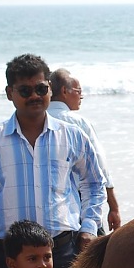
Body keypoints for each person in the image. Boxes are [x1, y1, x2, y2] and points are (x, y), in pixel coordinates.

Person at [0, 54, 106, 268]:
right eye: (25, 90)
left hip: (61, 256)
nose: (34, 96)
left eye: (41, 88)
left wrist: (89, 228)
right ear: (10, 93)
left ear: (50, 89)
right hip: (8, 262)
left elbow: (94, 184)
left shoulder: (72, 136)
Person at [48, 69, 121, 232]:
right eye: (78, 91)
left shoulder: (36, 120)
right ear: (64, 91)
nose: (81, 96)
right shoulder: (78, 123)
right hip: (81, 201)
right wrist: (114, 207)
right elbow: (100, 168)